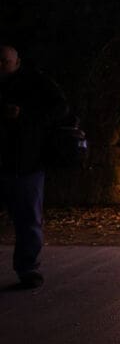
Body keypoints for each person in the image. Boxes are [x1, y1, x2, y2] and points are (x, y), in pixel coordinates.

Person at [0, 43, 69, 289]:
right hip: (16, 160)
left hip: (25, 161)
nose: (0, 66)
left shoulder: (35, 82)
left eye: (5, 62)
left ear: (17, 63)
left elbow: (60, 107)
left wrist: (27, 118)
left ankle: (28, 268)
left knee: (28, 218)